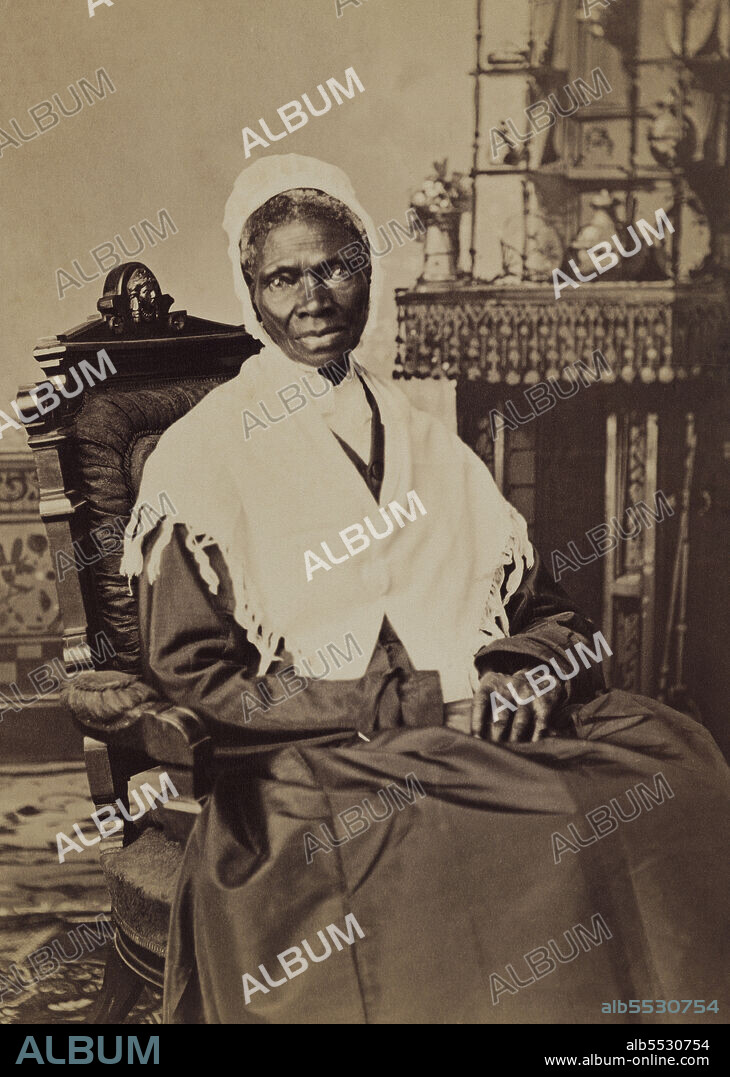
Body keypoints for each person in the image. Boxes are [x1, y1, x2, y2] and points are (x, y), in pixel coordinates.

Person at [122, 155, 729, 1024]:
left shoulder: (429, 439)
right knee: (527, 818)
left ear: (368, 269)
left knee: (674, 756)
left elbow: (550, 609)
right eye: (284, 276)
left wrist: (522, 669)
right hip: (318, 756)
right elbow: (199, 678)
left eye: (336, 265)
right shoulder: (203, 455)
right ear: (250, 292)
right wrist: (411, 704)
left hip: (485, 714)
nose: (315, 295)